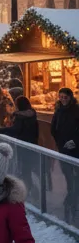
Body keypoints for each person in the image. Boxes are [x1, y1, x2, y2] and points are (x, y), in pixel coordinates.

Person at [50, 86, 79, 217]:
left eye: (65, 97)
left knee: (77, 177)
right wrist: (60, 143)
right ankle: (70, 199)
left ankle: (72, 201)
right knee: (68, 177)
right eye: (60, 97)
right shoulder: (58, 110)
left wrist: (75, 141)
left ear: (70, 97)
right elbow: (53, 129)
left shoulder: (76, 110)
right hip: (63, 149)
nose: (63, 100)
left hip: (76, 149)